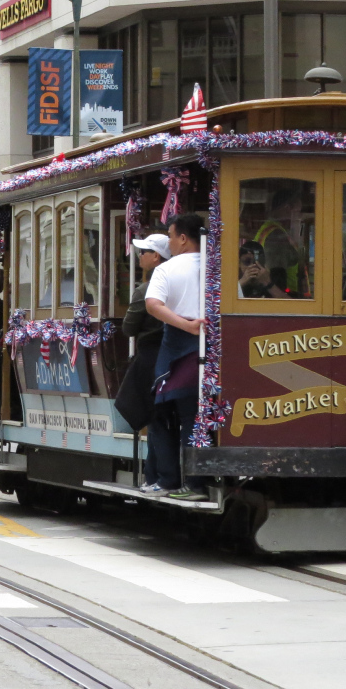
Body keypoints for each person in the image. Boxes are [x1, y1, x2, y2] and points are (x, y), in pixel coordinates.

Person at [144, 213, 210, 501]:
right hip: (215, 350)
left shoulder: (167, 269)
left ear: (183, 238)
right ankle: (194, 482)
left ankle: (178, 481)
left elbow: (152, 305)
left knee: (167, 415)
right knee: (198, 417)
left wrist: (185, 325)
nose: (168, 242)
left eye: (170, 236)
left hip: (179, 350)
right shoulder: (217, 268)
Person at [114, 234, 169, 491]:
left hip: (151, 359)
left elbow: (128, 328)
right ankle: (158, 475)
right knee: (166, 418)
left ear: (156, 256)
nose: (139, 257)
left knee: (155, 418)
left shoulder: (146, 290)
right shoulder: (181, 283)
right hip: (179, 356)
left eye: (143, 252)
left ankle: (156, 477)